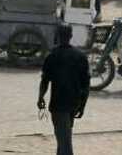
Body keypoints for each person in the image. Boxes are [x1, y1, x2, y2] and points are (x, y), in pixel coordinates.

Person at [38, 22, 90, 155]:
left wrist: (41, 97)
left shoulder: (52, 56)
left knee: (64, 142)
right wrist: (82, 105)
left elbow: (45, 80)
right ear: (71, 36)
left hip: (58, 104)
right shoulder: (80, 56)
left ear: (57, 36)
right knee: (64, 139)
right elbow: (86, 84)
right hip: (74, 103)